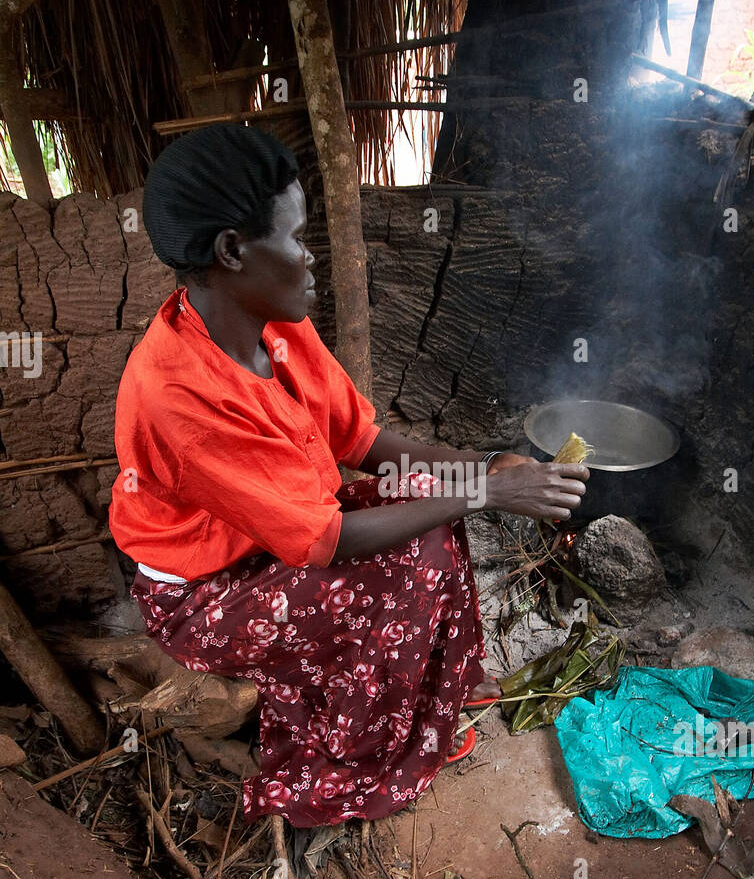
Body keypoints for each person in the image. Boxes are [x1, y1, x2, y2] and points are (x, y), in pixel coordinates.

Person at [110, 123, 589, 828]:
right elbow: (330, 540)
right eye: (296, 239)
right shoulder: (179, 396)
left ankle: (431, 703)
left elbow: (361, 440)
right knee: (407, 566)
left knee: (428, 504)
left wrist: (485, 467)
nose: (310, 259)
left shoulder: (272, 321)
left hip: (281, 541)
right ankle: (336, 774)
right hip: (207, 597)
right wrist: (487, 493)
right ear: (233, 250)